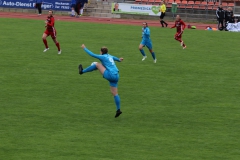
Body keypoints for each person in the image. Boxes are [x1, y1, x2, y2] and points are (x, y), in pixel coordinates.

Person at [78, 44, 123, 118]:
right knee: (114, 93)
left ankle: (82, 71)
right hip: (116, 76)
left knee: (97, 65)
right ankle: (118, 110)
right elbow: (114, 58)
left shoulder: (102, 56)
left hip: (110, 75)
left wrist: (84, 48)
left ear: (101, 52)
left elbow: (92, 54)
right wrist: (119, 59)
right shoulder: (109, 56)